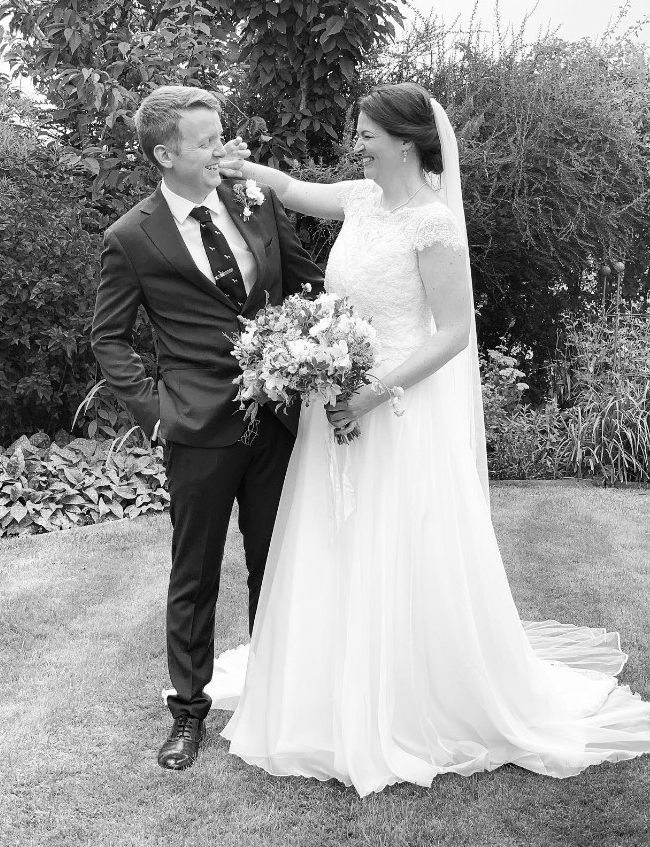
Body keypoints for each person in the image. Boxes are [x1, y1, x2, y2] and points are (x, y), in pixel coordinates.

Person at [214, 83, 650, 797]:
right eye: (356, 132)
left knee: (398, 539)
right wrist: (241, 170)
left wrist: (373, 394)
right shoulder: (359, 199)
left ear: (408, 141)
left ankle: (408, 699)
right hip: (339, 399)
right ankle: (330, 689)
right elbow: (293, 189)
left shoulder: (432, 226)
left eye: (365, 134)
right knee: (336, 536)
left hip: (393, 407)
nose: (355, 144)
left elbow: (452, 333)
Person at [91, 85, 323, 770]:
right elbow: (109, 339)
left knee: (272, 565)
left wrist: (319, 351)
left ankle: (273, 699)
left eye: (222, 135)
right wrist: (157, 412)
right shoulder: (131, 236)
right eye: (205, 141)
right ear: (166, 154)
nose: (222, 149)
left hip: (276, 420)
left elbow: (307, 285)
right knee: (193, 575)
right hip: (195, 426)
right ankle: (188, 714)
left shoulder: (255, 200)